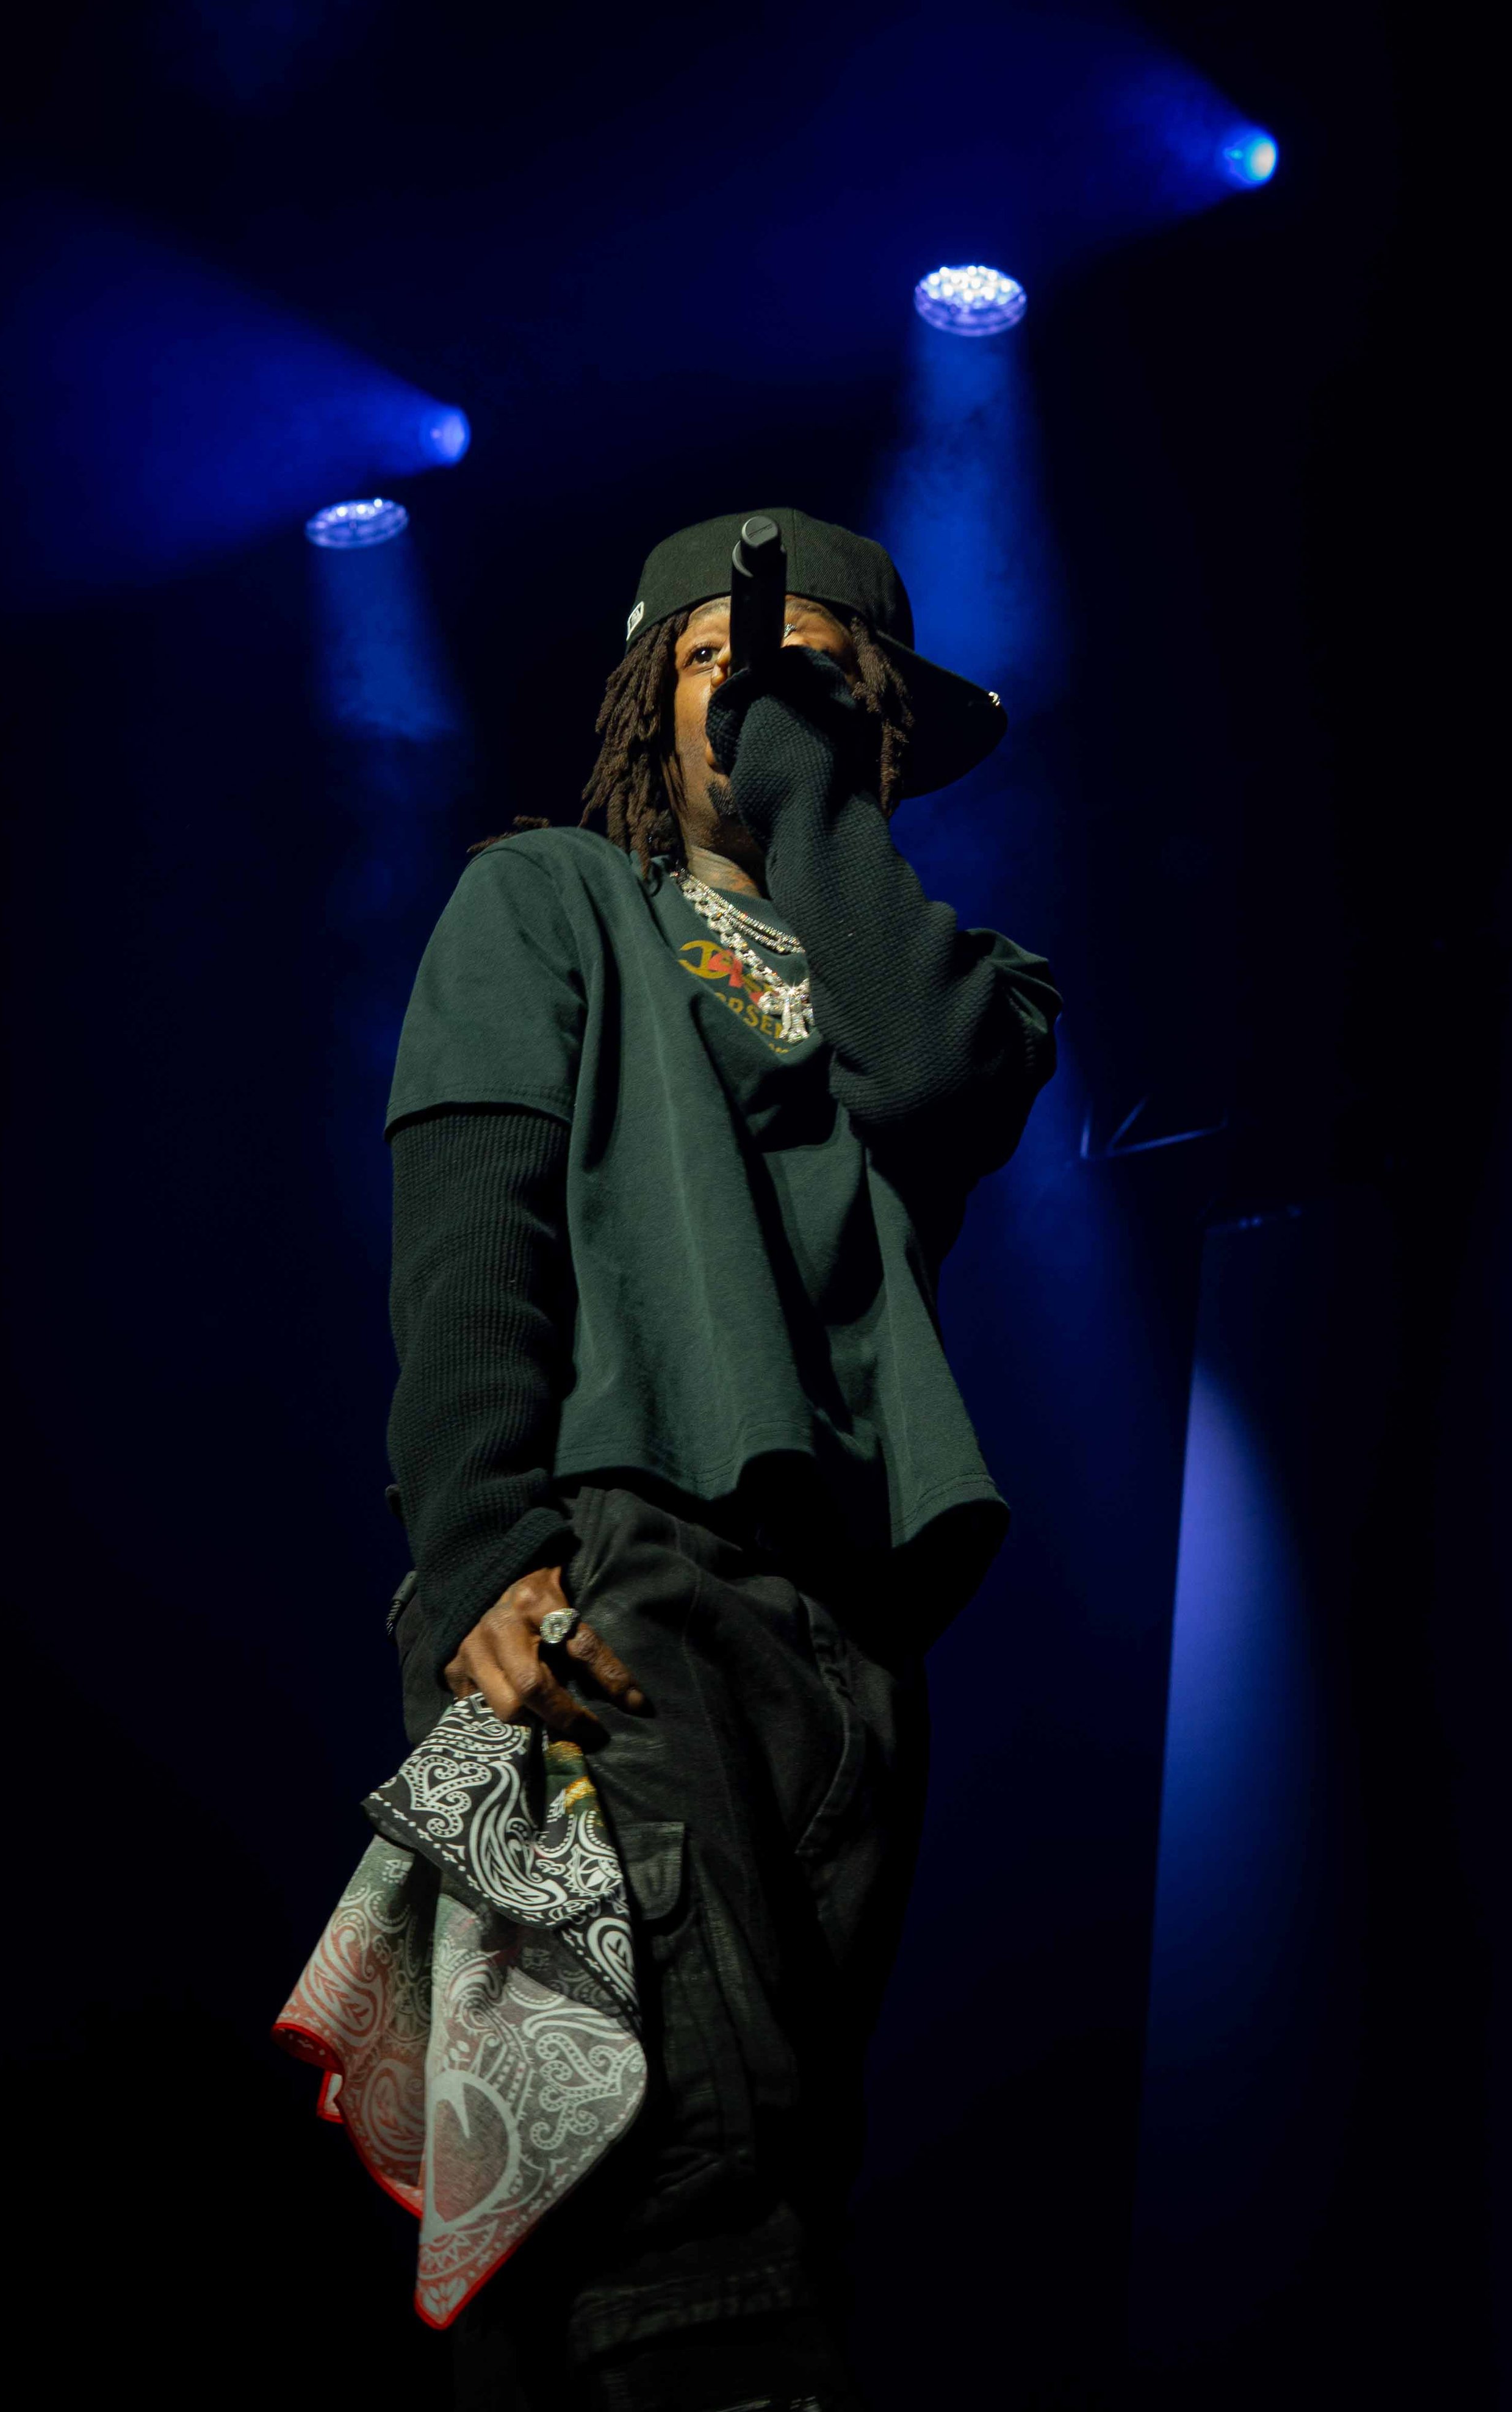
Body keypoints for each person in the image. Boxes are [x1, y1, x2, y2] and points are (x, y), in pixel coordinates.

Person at [383, 507, 1062, 2411]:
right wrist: (479, 1558)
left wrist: (803, 765)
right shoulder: (551, 900)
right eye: (720, 669)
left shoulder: (967, 985)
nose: (766, 705)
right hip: (615, 1577)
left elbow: (924, 1079)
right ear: (641, 695)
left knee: (774, 2166)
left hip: (848, 1635)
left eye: (827, 686)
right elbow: (471, 1236)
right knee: (687, 2187)